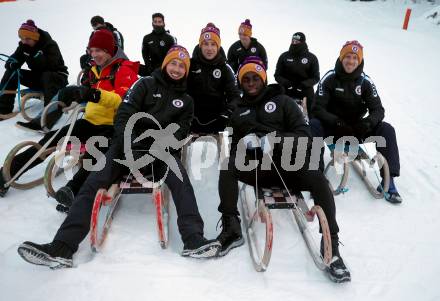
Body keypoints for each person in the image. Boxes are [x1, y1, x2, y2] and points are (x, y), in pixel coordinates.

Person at [17, 45, 221, 269]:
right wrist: (130, 143)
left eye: (182, 66)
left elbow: (180, 132)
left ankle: (193, 239)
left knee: (181, 181)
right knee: (92, 182)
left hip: (159, 152)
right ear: (165, 64)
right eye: (173, 63)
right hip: (124, 147)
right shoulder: (144, 84)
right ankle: (62, 247)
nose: (176, 68)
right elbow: (124, 113)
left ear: (186, 70)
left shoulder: (187, 101)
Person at [216, 56, 351, 283]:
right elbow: (234, 147)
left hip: (291, 167)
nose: (250, 82)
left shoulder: (284, 101)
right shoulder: (238, 111)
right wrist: (245, 146)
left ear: (263, 78)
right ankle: (231, 228)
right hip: (259, 169)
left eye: (255, 77)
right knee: (227, 165)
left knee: (318, 180)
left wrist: (275, 139)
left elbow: (306, 136)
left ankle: (332, 245)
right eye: (246, 79)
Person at [0, 30, 139, 203]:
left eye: (99, 50)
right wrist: (72, 94)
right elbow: (87, 93)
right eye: (92, 50)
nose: (94, 55)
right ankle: (7, 174)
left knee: (96, 151)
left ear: (110, 50)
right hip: (89, 122)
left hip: (113, 126)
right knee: (51, 140)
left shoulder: (125, 69)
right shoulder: (95, 69)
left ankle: (73, 190)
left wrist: (93, 94)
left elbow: (122, 99)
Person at [310, 40, 402, 204]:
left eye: (355, 58)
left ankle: (390, 181)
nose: (351, 61)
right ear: (341, 57)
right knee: (313, 125)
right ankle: (315, 176)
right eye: (347, 57)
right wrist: (336, 122)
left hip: (355, 128)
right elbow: (317, 108)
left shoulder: (365, 82)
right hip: (334, 127)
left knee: (387, 129)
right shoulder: (329, 78)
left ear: (359, 61)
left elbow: (378, 110)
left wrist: (367, 123)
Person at [0, 20, 68, 127]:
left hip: (57, 77)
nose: (24, 41)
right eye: (22, 38)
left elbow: (51, 66)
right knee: (13, 72)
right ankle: (3, 110)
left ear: (35, 37)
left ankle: (49, 116)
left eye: (28, 39)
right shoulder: (24, 46)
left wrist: (34, 54)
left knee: (47, 75)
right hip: (39, 78)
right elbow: (12, 60)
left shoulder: (50, 44)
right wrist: (12, 64)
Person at [187, 23, 240, 134]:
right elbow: (179, 89)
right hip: (191, 117)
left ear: (218, 46)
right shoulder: (190, 65)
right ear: (200, 45)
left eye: (213, 44)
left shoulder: (226, 68)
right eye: (206, 44)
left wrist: (228, 112)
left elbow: (235, 96)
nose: (209, 48)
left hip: (218, 119)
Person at [274, 32, 320, 116]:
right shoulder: (284, 56)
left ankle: (310, 119)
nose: (294, 43)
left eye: (297, 42)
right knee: (277, 98)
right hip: (287, 88)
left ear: (303, 42)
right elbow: (277, 75)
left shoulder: (311, 58)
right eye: (293, 41)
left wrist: (304, 84)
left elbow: (315, 77)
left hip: (304, 90)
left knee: (312, 107)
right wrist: (286, 83)